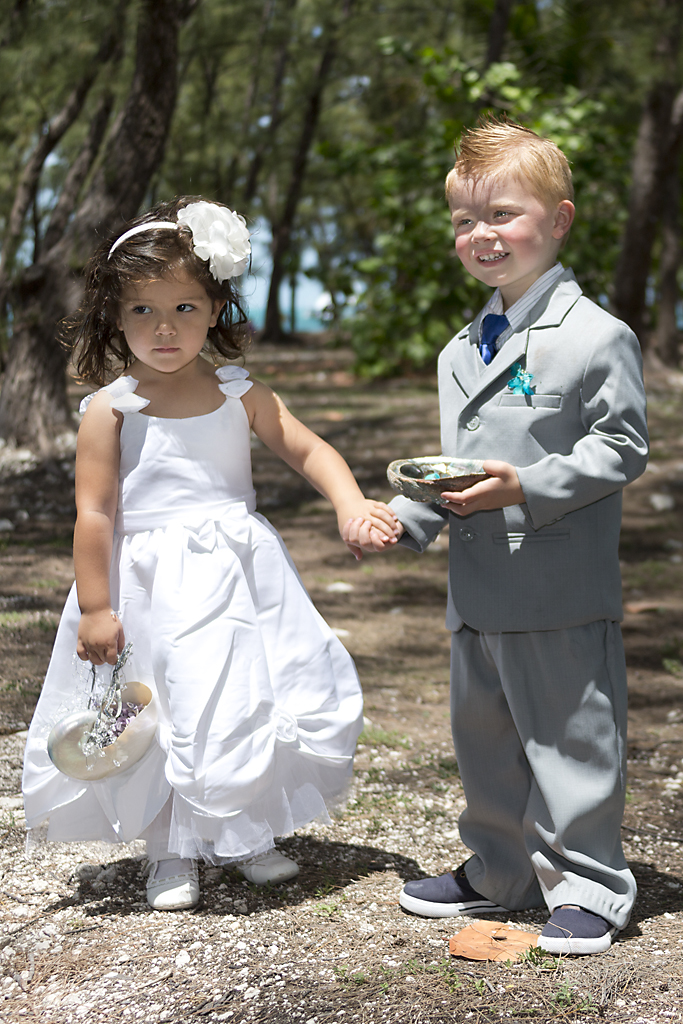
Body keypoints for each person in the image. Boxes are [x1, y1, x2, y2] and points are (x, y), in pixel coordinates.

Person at [22, 197, 399, 911]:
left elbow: (308, 448)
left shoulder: (238, 393)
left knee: (238, 698)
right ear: (115, 317)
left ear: (216, 310)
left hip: (236, 575)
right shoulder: (113, 408)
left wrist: (351, 504)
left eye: (185, 309)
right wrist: (97, 608)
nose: (164, 329)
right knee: (164, 708)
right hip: (150, 584)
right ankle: (169, 850)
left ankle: (242, 831)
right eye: (142, 312)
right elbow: (95, 512)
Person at [345, 118, 648, 955]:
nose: (480, 236)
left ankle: (589, 885)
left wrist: (530, 486)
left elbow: (620, 447)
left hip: (556, 588)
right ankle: (499, 869)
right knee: (484, 740)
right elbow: (459, 469)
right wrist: (400, 520)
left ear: (558, 219)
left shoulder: (595, 336)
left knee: (568, 741)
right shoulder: (457, 351)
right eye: (463, 222)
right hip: (475, 596)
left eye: (502, 215)